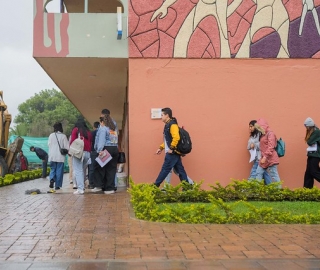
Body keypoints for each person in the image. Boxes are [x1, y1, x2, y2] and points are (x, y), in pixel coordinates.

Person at [154, 107, 190, 187]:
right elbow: (167, 141)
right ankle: (188, 188)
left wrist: (171, 148)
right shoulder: (167, 125)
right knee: (180, 171)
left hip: (172, 153)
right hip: (173, 152)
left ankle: (154, 187)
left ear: (167, 115)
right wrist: (161, 148)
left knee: (165, 170)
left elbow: (176, 137)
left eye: (162, 115)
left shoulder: (172, 124)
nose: (161, 117)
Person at [92, 110, 119, 194]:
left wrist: (99, 150)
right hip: (114, 148)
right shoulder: (114, 127)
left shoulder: (104, 128)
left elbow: (101, 140)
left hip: (106, 149)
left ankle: (99, 186)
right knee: (111, 169)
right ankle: (110, 188)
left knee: (98, 167)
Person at [254, 118, 281, 187]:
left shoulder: (270, 134)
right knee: (258, 173)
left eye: (260, 127)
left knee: (274, 175)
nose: (259, 129)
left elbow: (271, 147)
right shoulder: (263, 134)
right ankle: (257, 191)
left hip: (270, 158)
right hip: (264, 158)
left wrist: (265, 157)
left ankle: (279, 192)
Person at [70, 118, 92, 195]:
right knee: (82, 171)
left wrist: (71, 151)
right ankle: (81, 187)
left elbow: (72, 141)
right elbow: (90, 142)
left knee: (78, 170)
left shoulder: (76, 130)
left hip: (79, 153)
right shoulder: (88, 131)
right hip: (87, 154)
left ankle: (80, 189)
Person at [47, 122, 69, 192]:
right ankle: (57, 186)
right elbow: (67, 147)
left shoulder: (51, 135)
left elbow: (49, 145)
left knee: (53, 169)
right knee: (59, 171)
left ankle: (52, 179)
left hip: (52, 156)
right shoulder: (63, 136)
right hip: (60, 156)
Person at [303, 117, 320, 188]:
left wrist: (311, 141)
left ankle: (307, 189)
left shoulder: (316, 132)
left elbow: (309, 142)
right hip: (311, 154)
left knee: (314, 171)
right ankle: (307, 190)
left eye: (306, 126)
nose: (306, 128)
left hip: (316, 155)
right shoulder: (314, 131)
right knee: (308, 173)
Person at [88, 121, 99, 189]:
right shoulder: (101, 133)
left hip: (93, 152)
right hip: (101, 152)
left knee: (92, 168)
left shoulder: (92, 134)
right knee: (99, 168)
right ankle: (98, 182)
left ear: (94, 127)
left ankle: (91, 183)